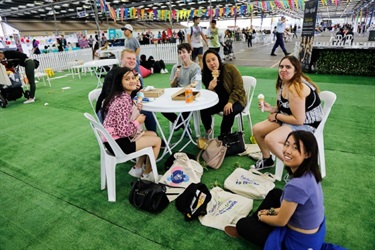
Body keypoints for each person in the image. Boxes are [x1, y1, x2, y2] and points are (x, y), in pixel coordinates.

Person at [225, 131, 334, 249]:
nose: (287, 151)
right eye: (287, 144)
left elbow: (281, 221)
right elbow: (292, 207)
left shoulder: (297, 185)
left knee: (242, 224)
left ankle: (253, 224)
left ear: (307, 154)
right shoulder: (311, 173)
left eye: (295, 148)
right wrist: (270, 211)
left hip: (299, 243)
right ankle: (255, 223)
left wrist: (262, 217)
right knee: (276, 193)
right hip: (314, 235)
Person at [252, 55, 323, 170]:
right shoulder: (283, 82)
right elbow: (287, 107)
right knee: (257, 129)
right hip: (291, 119)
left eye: (288, 67)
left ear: (296, 71)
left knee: (271, 139)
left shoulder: (296, 87)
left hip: (307, 125)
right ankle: (267, 160)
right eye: (281, 66)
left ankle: (299, 169)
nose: (283, 69)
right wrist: (272, 109)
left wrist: (276, 116)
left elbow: (299, 120)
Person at [101, 67, 161, 181]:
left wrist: (136, 102)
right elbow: (123, 131)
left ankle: (137, 168)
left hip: (111, 140)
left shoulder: (120, 95)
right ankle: (147, 175)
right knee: (157, 141)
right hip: (119, 143)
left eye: (133, 78)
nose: (132, 81)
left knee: (153, 134)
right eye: (127, 79)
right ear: (120, 82)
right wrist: (137, 122)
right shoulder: (123, 100)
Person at [96, 49, 158, 133]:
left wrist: (137, 90)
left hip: (124, 107)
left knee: (146, 110)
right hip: (107, 113)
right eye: (129, 58)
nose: (132, 61)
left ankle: (150, 137)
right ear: (121, 59)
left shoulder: (132, 74)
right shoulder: (114, 74)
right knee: (147, 112)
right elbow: (114, 99)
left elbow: (136, 94)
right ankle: (151, 138)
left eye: (134, 59)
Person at [200, 49, 246, 138]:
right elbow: (210, 96)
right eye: (208, 61)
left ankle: (224, 136)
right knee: (204, 108)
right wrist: (210, 88)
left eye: (213, 59)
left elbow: (239, 88)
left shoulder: (230, 68)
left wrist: (230, 102)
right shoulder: (206, 74)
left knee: (228, 111)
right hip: (220, 100)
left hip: (237, 99)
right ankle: (208, 130)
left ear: (218, 59)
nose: (212, 63)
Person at [162, 43, 201, 132]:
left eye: (184, 52)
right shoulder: (176, 67)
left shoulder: (196, 68)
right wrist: (176, 77)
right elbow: (172, 85)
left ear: (190, 52)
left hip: (189, 94)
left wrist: (183, 91)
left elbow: (194, 86)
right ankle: (182, 124)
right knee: (163, 108)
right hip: (176, 94)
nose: (182, 55)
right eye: (180, 53)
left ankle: (179, 124)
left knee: (187, 106)